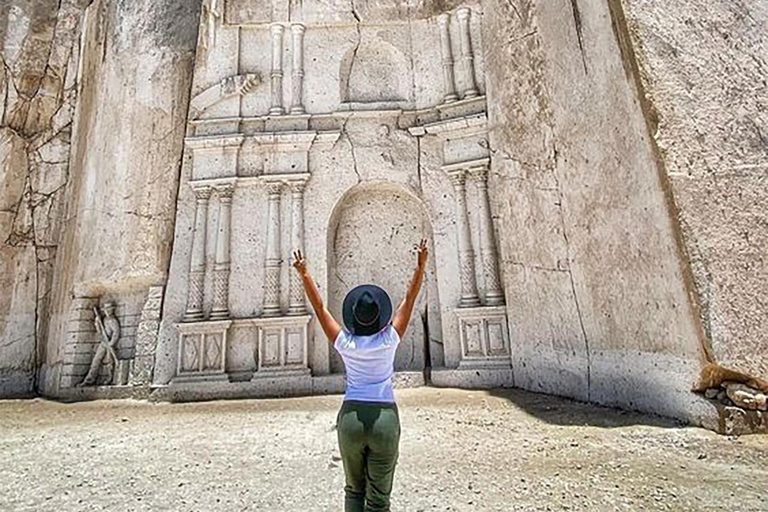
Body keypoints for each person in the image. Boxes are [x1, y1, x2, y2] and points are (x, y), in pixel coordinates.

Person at [292, 239, 429, 512]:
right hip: (384, 420)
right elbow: (409, 300)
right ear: (381, 317)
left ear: (354, 317)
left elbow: (320, 309)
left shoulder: (346, 342)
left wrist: (305, 274)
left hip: (351, 418)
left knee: (353, 490)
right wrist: (420, 266)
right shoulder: (389, 339)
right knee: (379, 499)